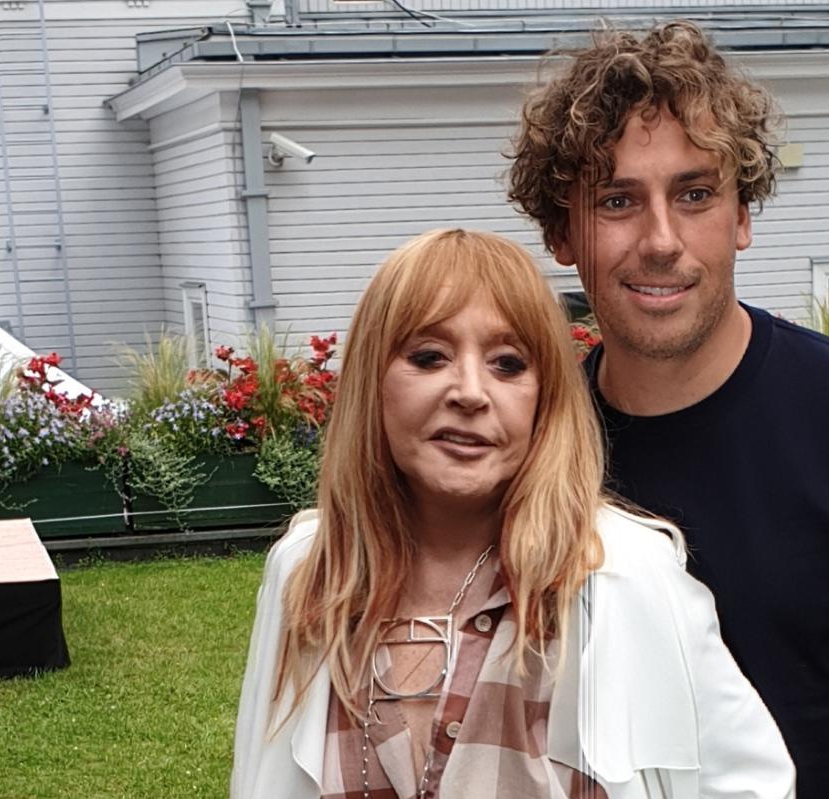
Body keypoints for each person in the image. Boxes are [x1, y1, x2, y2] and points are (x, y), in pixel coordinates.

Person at [508, 21, 829, 799]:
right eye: (617, 200)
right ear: (561, 232)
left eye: (695, 194)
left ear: (743, 215)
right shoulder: (537, 453)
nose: (661, 240)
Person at [230, 228, 796, 799]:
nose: (470, 392)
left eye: (507, 364)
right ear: (370, 383)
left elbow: (753, 785)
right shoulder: (309, 571)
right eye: (429, 357)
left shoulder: (624, 574)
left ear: (544, 398)